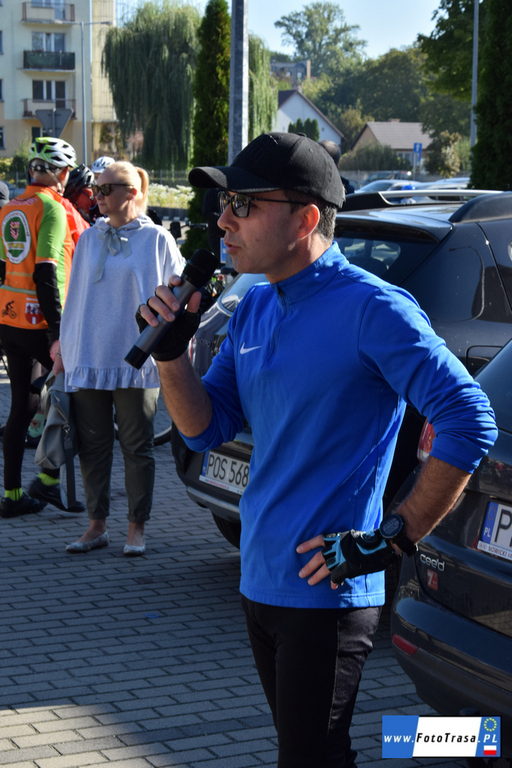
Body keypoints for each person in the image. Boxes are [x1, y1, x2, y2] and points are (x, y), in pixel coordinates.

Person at [136, 132, 498, 767]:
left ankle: (476, 742)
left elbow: (469, 419)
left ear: (305, 219)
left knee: (311, 758)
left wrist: (391, 540)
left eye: (244, 204)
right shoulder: (255, 306)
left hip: (327, 590)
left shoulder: (374, 308)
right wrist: (172, 353)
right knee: (315, 752)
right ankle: (478, 742)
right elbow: (204, 429)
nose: (223, 221)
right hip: (260, 577)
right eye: (225, 204)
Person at [53, 161, 184, 556]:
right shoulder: (89, 238)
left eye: (107, 189)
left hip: (136, 358)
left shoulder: (157, 238)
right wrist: (64, 350)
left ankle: (136, 528)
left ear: (132, 192)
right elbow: (75, 298)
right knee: (92, 446)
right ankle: (96, 525)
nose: (98, 196)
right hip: (89, 355)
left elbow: (177, 294)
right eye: (97, 189)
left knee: (136, 445)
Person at [0, 137, 85, 518]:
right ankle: (48, 480)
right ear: (61, 173)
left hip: (9, 319)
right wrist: (58, 332)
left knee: (23, 405)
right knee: (79, 395)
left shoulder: (10, 207)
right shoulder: (50, 207)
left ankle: (13, 495)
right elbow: (47, 271)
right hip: (40, 322)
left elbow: (3, 267)